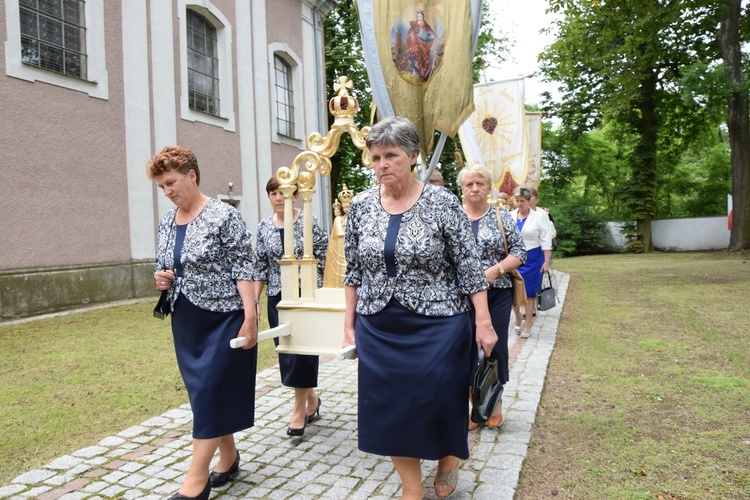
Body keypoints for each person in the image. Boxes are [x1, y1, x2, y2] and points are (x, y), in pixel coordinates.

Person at [342, 116, 497, 500]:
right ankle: (412, 488)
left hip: (439, 324)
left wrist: (484, 321)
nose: (382, 165)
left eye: (390, 155)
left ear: (412, 156)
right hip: (379, 324)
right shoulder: (360, 206)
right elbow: (353, 270)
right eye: (376, 157)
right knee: (391, 407)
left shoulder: (442, 203)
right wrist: (349, 324)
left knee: (439, 399)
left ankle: (448, 459)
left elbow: (469, 268)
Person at [148, 146, 257, 500]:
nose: (168, 191)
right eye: (162, 186)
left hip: (225, 319)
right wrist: (161, 279)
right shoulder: (167, 220)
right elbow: (165, 263)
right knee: (204, 396)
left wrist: (251, 316)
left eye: (172, 183)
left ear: (192, 175)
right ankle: (229, 457)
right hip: (187, 321)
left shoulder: (224, 216)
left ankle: (196, 482)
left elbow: (245, 268)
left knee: (211, 392)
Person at [251, 176, 328, 436]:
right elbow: (259, 266)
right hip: (278, 297)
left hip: (305, 294)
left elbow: (325, 255)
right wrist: (254, 301)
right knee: (287, 353)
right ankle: (311, 399)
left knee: (303, 352)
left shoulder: (309, 221)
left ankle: (298, 411)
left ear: (294, 196)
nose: (276, 197)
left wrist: (328, 294)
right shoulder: (264, 227)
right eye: (271, 193)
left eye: (281, 192)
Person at [458, 164, 526, 430]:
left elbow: (520, 252)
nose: (475, 188)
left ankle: (494, 404)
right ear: (462, 189)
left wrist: (495, 270)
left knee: (494, 347)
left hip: (496, 292)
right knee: (463, 349)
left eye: (480, 184)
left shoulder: (500, 216)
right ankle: (471, 407)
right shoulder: (455, 217)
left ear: (488, 188)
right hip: (461, 297)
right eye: (469, 184)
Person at [511, 186, 552, 339]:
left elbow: (545, 239)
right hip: (514, 258)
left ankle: (527, 323)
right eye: (517, 201)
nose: (519, 204)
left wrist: (546, 261)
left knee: (529, 293)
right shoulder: (510, 216)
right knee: (512, 291)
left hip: (533, 257)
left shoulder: (540, 217)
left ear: (529, 201)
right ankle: (517, 317)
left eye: (522, 201)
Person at [323, 184, 354, 288]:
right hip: (342, 247)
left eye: (348, 206)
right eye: (344, 207)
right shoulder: (340, 219)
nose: (346, 209)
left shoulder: (356, 219)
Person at [406, 8, 436, 81]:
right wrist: (413, 34)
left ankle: (426, 73)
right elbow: (409, 34)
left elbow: (431, 33)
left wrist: (427, 35)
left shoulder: (426, 25)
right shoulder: (414, 25)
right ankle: (415, 71)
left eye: (420, 16)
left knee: (425, 59)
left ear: (423, 16)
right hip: (416, 45)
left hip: (424, 44)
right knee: (414, 56)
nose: (419, 17)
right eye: (418, 16)